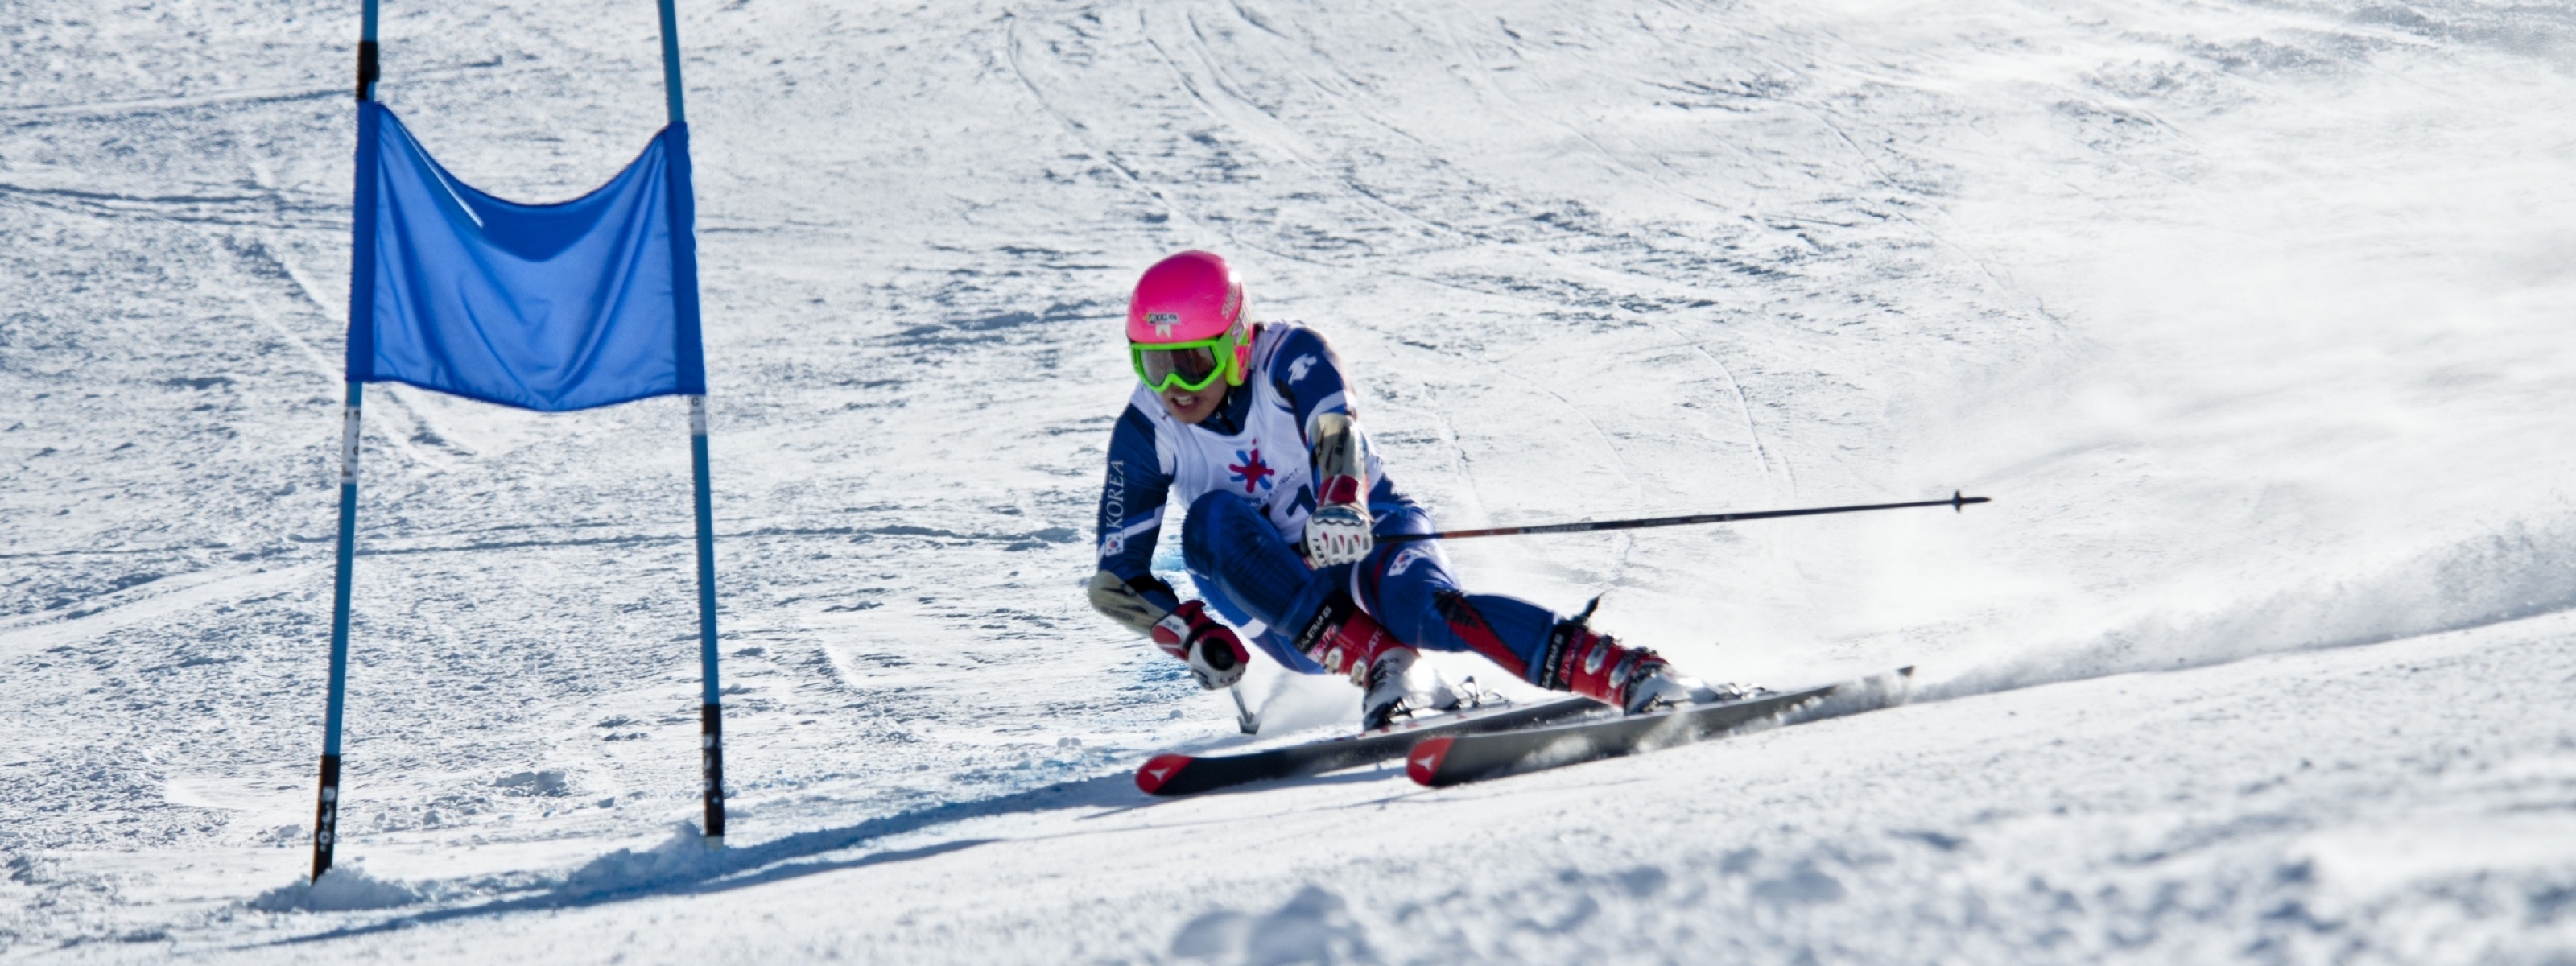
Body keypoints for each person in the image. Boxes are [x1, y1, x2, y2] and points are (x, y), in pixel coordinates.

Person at [1085, 250, 1739, 729]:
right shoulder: (1147, 430)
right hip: (1291, 610)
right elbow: (1117, 578)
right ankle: (1389, 668)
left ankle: (1631, 672)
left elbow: (1334, 423)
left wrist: (1342, 498)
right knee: (1209, 524)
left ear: (1234, 341)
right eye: (1153, 362)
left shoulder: (1290, 355)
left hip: (1363, 536)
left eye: (1191, 362)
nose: (1175, 386)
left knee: (1427, 608)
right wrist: (1189, 632)